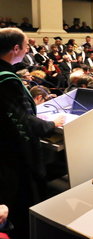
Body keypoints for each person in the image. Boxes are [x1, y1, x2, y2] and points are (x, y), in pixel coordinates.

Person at [0, 28, 64, 239]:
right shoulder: (7, 80)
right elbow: (22, 122)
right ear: (16, 48)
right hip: (16, 158)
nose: (28, 49)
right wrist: (51, 124)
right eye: (26, 45)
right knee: (24, 206)